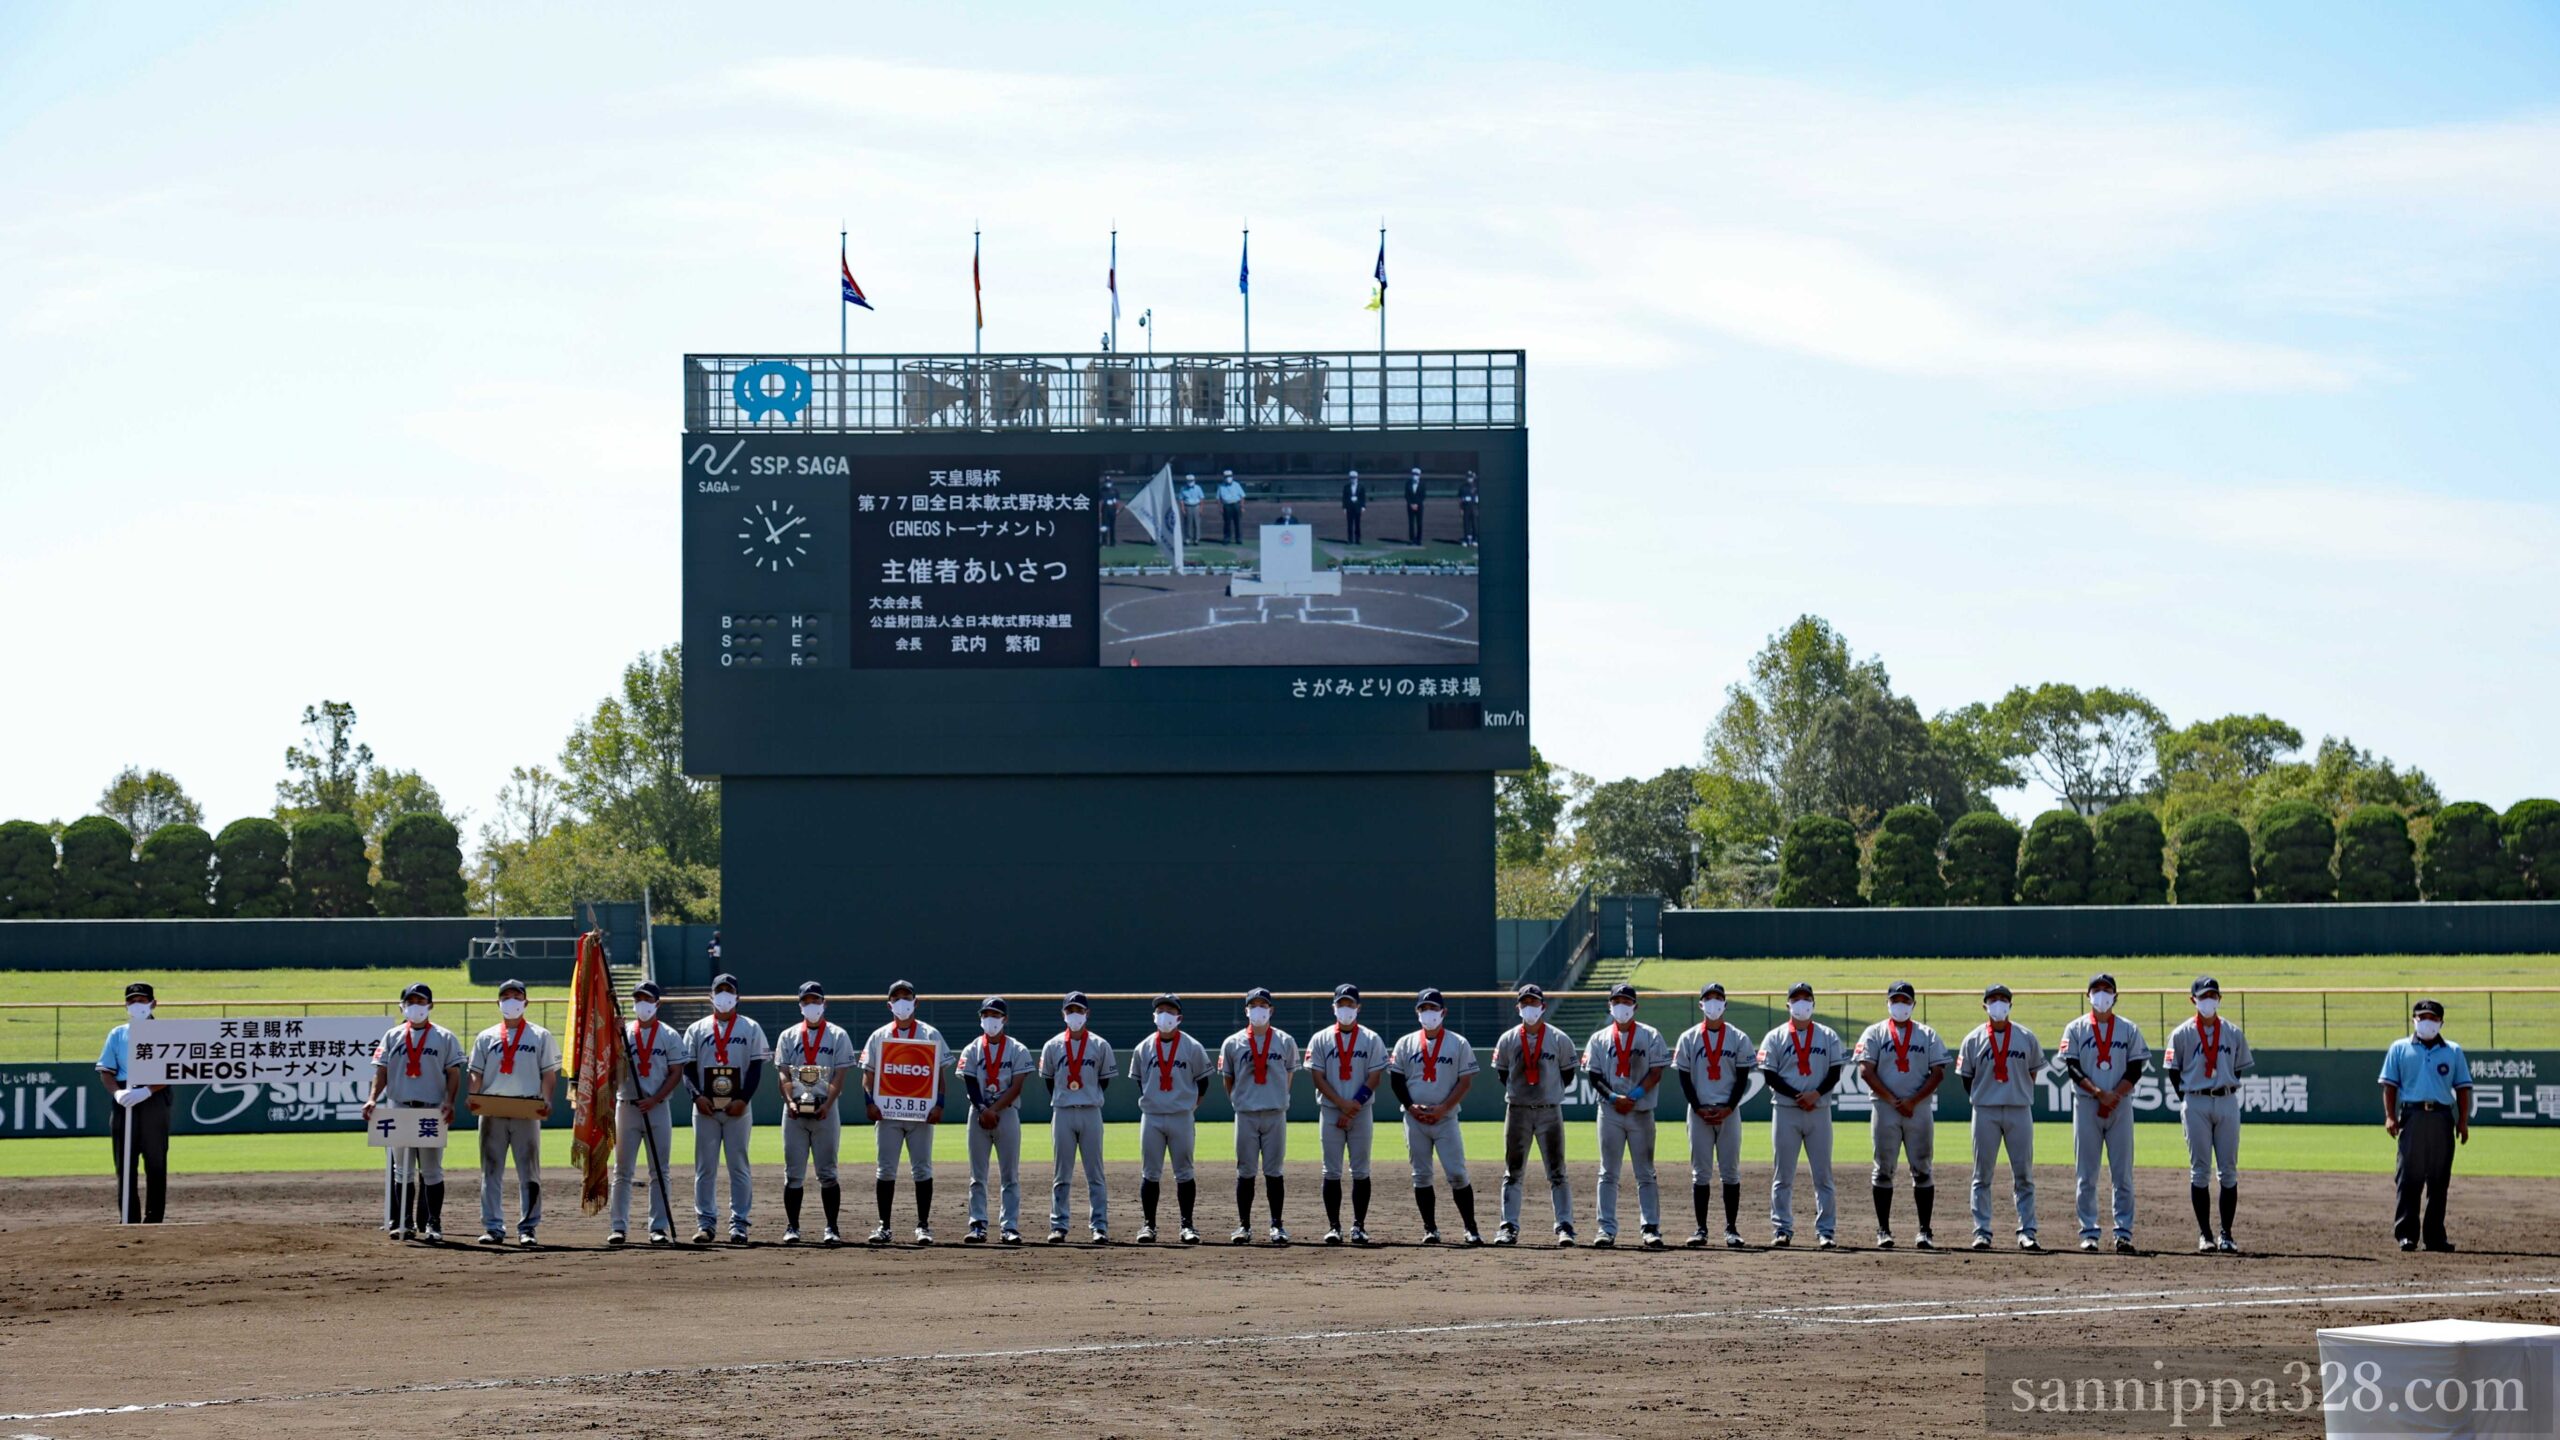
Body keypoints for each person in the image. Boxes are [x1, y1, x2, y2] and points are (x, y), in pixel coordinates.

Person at [364, 982, 466, 1243]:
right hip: (400, 1107)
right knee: (402, 1170)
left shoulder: (444, 1037)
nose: (416, 1006)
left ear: (430, 1005)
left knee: (432, 1170)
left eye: (421, 1001)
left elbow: (454, 1073)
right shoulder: (392, 1036)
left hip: (431, 1108)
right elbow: (381, 1071)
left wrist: (449, 1102)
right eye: (410, 1001)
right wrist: (372, 1099)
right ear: (403, 1005)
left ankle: (433, 1223)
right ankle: (404, 1222)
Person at [1853, 980, 1949, 1250]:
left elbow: (1939, 1072)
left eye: (1905, 1001)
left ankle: (1924, 1231)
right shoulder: (1874, 1033)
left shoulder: (1927, 1034)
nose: (1900, 1005)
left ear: (1914, 1005)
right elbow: (1865, 1070)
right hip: (1885, 1109)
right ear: (1887, 1003)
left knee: (1922, 1168)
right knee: (1883, 1169)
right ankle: (1883, 1229)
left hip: (1918, 1108)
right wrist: (1893, 1100)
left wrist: (1912, 1100)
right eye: (1895, 1000)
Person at [2058, 972, 2149, 1254]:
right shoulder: (2075, 1028)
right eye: (2096, 989)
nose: (2101, 995)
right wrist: (2099, 1093)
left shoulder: (2129, 1029)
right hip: (2087, 1104)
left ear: (2116, 996)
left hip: (2120, 1105)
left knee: (2122, 1175)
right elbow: (2071, 1066)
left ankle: (2123, 1234)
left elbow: (2136, 1067)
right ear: (2088, 996)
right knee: (2086, 1175)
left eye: (2107, 989)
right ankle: (2089, 1233)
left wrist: (2114, 1095)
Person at [468, 977, 561, 1246]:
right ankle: (493, 1227)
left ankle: (528, 1228)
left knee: (529, 1171)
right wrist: (473, 1095)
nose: (512, 1001)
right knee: (491, 1170)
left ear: (526, 1001)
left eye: (516, 996)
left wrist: (546, 1100)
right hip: (493, 1108)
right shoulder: (486, 1036)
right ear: (498, 1002)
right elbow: (476, 1072)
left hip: (526, 1107)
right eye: (506, 996)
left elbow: (549, 1074)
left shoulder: (540, 1035)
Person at [2164, 975, 2251, 1253]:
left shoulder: (2234, 1033)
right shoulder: (2181, 1033)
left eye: (2212, 995)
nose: (2208, 1000)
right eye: (2203, 996)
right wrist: (2189, 1098)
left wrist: (2222, 1085)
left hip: (2225, 1099)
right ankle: (2206, 1234)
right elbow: (2172, 1071)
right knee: (2199, 1171)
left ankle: (2227, 1234)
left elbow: (2237, 1069)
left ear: (2219, 999)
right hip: (2196, 1101)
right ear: (2193, 1000)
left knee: (2228, 1171)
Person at [1389, 988, 1482, 1245]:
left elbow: (1465, 1082)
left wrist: (1444, 1107)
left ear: (1444, 1012)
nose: (1428, 1013)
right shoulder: (1405, 1043)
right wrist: (1409, 1106)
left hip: (1446, 1117)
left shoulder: (1458, 1043)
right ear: (1417, 1012)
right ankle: (1430, 1228)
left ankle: (1471, 1228)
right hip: (1414, 1118)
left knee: (1457, 1173)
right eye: (1424, 1009)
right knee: (1420, 1174)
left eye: (1433, 1008)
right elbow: (1396, 1080)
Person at [859, 978, 948, 1245]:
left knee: (922, 1169)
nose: (902, 1002)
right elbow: (867, 1075)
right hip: (888, 1114)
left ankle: (923, 1226)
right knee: (885, 1170)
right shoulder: (880, 1035)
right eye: (897, 998)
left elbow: (939, 1076)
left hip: (920, 1114)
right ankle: (884, 1226)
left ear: (915, 1001)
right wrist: (869, 1102)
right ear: (889, 1004)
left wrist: (940, 1104)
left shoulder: (930, 1034)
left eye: (906, 997)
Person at [2379, 998, 2471, 1254]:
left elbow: (2462, 1088)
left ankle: (2434, 1237)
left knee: (2439, 1179)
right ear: (2414, 1019)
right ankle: (2406, 1235)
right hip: (2413, 1115)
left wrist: (2462, 1121)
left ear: (2441, 1022)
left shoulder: (2453, 1051)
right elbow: (2389, 1085)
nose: (2427, 1022)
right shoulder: (2399, 1048)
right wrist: (2390, 1115)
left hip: (2442, 1116)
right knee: (2409, 1177)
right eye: (2422, 1017)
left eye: (2432, 1018)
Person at [1585, 982, 1671, 1249]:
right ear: (1609, 1005)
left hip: (1641, 1111)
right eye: (1617, 1001)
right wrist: (1613, 1098)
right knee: (1607, 1172)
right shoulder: (1599, 1038)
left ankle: (1650, 1228)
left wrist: (1632, 1096)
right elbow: (1594, 1075)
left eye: (1626, 1001)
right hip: (1610, 1110)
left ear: (1635, 1005)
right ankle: (1606, 1229)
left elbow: (1656, 1072)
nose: (1621, 1006)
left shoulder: (1650, 1035)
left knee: (1645, 1172)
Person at [1957, 982, 2043, 1251]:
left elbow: (2033, 1072)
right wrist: (1986, 1095)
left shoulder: (2026, 1037)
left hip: (2018, 1109)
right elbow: (1966, 1078)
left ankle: (2027, 1231)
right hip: (1985, 1110)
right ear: (1984, 1005)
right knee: (1982, 1174)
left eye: (2003, 999)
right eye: (1992, 1000)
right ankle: (1982, 1231)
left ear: (2010, 1004)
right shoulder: (1973, 1039)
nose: (1998, 1005)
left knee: (2024, 1175)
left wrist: (2015, 1091)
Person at [1759, 981, 1845, 1248]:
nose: (1801, 1003)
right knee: (1783, 1174)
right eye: (1796, 998)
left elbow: (1834, 1071)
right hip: (1786, 1110)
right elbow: (1769, 1073)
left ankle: (1826, 1231)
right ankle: (1782, 1229)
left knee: (1823, 1175)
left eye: (1806, 998)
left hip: (1818, 1110)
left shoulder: (1828, 1035)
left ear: (1813, 1003)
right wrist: (1798, 1095)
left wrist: (1815, 1094)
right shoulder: (1775, 1036)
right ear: (1788, 1004)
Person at [684, 972, 768, 1245]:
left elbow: (755, 1068)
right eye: (719, 991)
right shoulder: (696, 1029)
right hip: (705, 1107)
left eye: (728, 991)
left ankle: (739, 1224)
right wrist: (697, 1097)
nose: (724, 996)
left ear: (737, 997)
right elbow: (687, 1069)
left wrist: (743, 1099)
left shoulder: (751, 1028)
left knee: (739, 1167)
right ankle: (705, 1223)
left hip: (738, 1109)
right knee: (704, 1168)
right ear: (711, 996)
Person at [1492, 982, 1578, 1246]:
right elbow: (1502, 1073)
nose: (1529, 1007)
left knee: (1557, 1172)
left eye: (1534, 1003)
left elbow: (1568, 1073)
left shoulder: (1559, 1038)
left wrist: (1547, 1093)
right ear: (1518, 1007)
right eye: (1525, 1003)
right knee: (1513, 1171)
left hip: (1549, 1111)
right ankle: (1508, 1227)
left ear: (1543, 1006)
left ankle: (1565, 1226)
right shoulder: (1508, 1039)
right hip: (1517, 1110)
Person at [1305, 984, 1390, 1245]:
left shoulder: (1371, 1039)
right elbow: (1317, 1076)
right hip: (1331, 1111)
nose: (1345, 1009)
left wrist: (1353, 1106)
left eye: (1350, 1004)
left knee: (1360, 1170)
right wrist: (1341, 1104)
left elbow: (1375, 1077)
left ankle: (1359, 1226)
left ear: (1358, 1007)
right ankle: (1334, 1227)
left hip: (1361, 1111)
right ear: (1333, 1007)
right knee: (1331, 1170)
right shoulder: (1320, 1038)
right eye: (1341, 1004)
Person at [774, 981, 857, 1246]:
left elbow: (840, 1074)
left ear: (824, 1003)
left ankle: (832, 1228)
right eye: (807, 1001)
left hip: (825, 1109)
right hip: (795, 1112)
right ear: (800, 1005)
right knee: (793, 1172)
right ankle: (793, 1227)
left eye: (816, 1000)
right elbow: (783, 1073)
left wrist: (828, 1104)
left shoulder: (837, 1035)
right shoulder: (788, 1036)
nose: (812, 1005)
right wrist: (789, 1102)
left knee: (828, 1172)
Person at [608, 980, 688, 1247]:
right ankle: (618, 1227)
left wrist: (656, 1098)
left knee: (660, 1171)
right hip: (627, 1105)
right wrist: (614, 1035)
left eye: (647, 999)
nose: (642, 1004)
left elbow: (676, 1071)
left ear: (657, 1003)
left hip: (657, 1108)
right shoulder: (624, 1032)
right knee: (622, 1170)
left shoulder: (668, 1035)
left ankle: (659, 1228)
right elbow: (611, 1066)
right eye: (638, 998)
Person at [1674, 981, 1754, 1248]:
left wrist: (1729, 1107)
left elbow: (1742, 1078)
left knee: (1730, 1172)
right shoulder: (1688, 1038)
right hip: (1699, 1113)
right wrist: (1698, 1107)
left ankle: (1731, 1229)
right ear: (1700, 1004)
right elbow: (1684, 1079)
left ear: (1726, 1003)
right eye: (1708, 998)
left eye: (1718, 998)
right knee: (1701, 1173)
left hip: (1728, 1112)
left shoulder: (1738, 1038)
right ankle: (1701, 1229)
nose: (1713, 1003)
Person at [1218, 986, 1300, 1244]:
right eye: (1254, 1005)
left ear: (1271, 1010)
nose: (1259, 1010)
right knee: (1246, 1171)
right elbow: (1227, 1079)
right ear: (1246, 1010)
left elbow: (1289, 1074)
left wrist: (1278, 1098)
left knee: (1274, 1171)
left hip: (1275, 1112)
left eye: (1263, 1005)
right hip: (1246, 1113)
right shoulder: (1233, 1043)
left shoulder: (1285, 1041)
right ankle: (1244, 1226)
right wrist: (1239, 1101)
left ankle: (1277, 1225)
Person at [1129, 993, 1212, 1244]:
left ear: (1179, 1018)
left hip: (1181, 1115)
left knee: (1184, 1172)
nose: (1164, 1015)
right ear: (1154, 1016)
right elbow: (1140, 1083)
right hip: (1152, 1115)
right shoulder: (1143, 1047)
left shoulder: (1192, 1046)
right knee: (1150, 1172)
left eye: (1170, 1011)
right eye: (1160, 1010)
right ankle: (1148, 1226)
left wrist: (1188, 1106)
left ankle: (1187, 1225)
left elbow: (1203, 1082)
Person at [957, 996, 1035, 1245]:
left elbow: (1017, 1085)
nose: (990, 1019)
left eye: (995, 1015)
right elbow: (969, 1082)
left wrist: (994, 1109)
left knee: (1009, 1175)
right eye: (986, 1015)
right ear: (981, 1018)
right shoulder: (972, 1048)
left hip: (1007, 1113)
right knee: (977, 1175)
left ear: (1005, 1019)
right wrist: (983, 1109)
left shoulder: (1017, 1049)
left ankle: (1009, 1227)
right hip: (978, 1113)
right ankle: (977, 1224)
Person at [95, 981, 171, 1225]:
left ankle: (154, 1218)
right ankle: (128, 1217)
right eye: (132, 1001)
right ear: (126, 1005)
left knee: (156, 1161)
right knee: (124, 1163)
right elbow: (106, 1071)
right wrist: (117, 1094)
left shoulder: (169, 1033)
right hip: (125, 1097)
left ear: (153, 1003)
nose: (136, 1005)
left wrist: (148, 1091)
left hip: (154, 1098)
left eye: (141, 1000)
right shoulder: (118, 1034)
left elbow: (173, 1071)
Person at [1041, 991, 1114, 1243]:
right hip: (1062, 1111)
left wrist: (1086, 1095)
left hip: (1090, 1110)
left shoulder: (1100, 1045)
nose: (1074, 1015)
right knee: (1061, 1173)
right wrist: (1066, 1097)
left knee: (1095, 1173)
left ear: (1087, 1014)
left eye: (1079, 1010)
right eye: (1070, 1010)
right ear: (1063, 1014)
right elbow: (1049, 1080)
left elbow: (1104, 1080)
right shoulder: (1052, 1045)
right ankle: (1058, 1225)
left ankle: (1099, 1226)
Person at [1216, 470, 1245, 544]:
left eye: (1229, 476)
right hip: (1226, 505)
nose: (1228, 478)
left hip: (1236, 504)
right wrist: (1220, 507)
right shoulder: (1221, 486)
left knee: (1237, 522)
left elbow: (1242, 496)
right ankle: (1227, 538)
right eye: (1226, 477)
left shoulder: (1237, 485)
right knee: (1227, 523)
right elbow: (1218, 498)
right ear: (1224, 477)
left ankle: (1238, 538)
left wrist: (1242, 507)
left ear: (1232, 476)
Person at [1341, 469, 1367, 544]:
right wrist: (1344, 507)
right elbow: (1344, 498)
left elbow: (1363, 497)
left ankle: (1358, 539)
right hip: (1349, 507)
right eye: (1352, 478)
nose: (1353, 479)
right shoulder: (1346, 487)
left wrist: (1363, 506)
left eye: (1354, 477)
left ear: (1357, 478)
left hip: (1357, 507)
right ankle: (1350, 539)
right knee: (1349, 524)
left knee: (1357, 524)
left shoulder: (1361, 487)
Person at [1179, 473, 1205, 544]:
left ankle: (1197, 539)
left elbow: (1202, 499)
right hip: (1188, 506)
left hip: (1196, 506)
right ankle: (1188, 538)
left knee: (1197, 523)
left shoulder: (1198, 488)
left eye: (1191, 480)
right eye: (1189, 480)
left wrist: (1201, 508)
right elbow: (1181, 500)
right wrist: (1182, 508)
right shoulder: (1183, 488)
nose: (1190, 482)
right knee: (1188, 524)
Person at [1403, 467, 1426, 544]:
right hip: (1410, 506)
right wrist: (1411, 504)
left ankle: (1419, 539)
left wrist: (1417, 504)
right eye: (1413, 474)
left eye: (1416, 474)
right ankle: (1412, 539)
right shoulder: (1408, 483)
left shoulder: (1422, 484)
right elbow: (1406, 495)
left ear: (1419, 475)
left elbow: (1423, 496)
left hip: (1419, 506)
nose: (1415, 476)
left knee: (1419, 523)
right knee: (1411, 523)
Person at [1458, 471, 1480, 547]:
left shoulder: (1476, 487)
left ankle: (1475, 539)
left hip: (1474, 507)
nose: (1469, 479)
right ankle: (1466, 539)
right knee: (1466, 524)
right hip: (1466, 507)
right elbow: (1460, 499)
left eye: (1470, 477)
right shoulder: (1462, 487)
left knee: (1474, 524)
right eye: (1468, 477)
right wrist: (1461, 509)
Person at [1097, 476, 1120, 545]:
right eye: (1107, 482)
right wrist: (1099, 512)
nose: (1108, 483)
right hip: (1105, 509)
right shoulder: (1101, 490)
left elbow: (1117, 501)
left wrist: (1117, 509)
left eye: (1109, 482)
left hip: (1112, 508)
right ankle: (1104, 542)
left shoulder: (1115, 490)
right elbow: (1100, 502)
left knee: (1112, 526)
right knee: (1104, 526)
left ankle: (1112, 542)